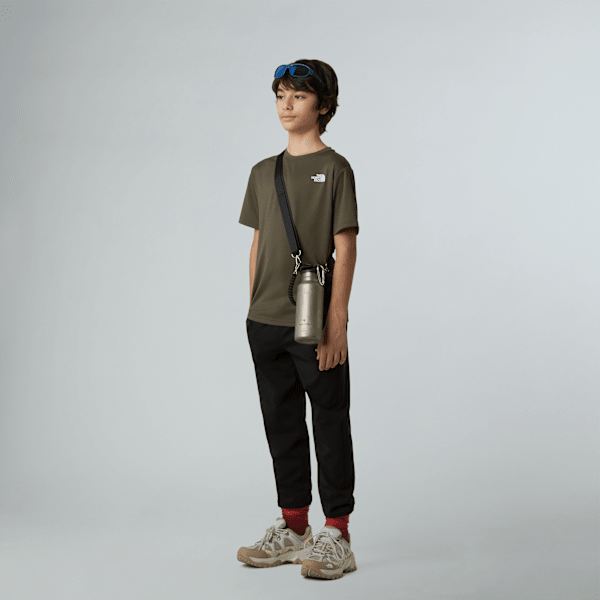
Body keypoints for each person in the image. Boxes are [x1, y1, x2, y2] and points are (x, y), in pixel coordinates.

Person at [237, 59, 359, 580]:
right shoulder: (262, 172)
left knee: (329, 420)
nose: (286, 105)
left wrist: (338, 323)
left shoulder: (336, 168)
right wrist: (254, 309)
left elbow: (344, 246)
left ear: (324, 105)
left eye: (299, 96)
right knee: (281, 423)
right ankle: (293, 528)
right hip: (265, 321)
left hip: (314, 322)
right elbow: (259, 242)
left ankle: (337, 534)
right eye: (280, 96)